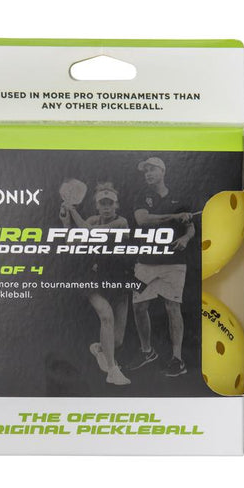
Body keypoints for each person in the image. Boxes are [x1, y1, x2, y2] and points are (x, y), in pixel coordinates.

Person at [127, 157, 195, 377]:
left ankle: (177, 359)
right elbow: (143, 220)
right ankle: (147, 352)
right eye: (145, 170)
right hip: (145, 262)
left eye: (152, 169)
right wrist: (175, 216)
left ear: (163, 171)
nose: (148, 173)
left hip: (174, 263)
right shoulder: (141, 196)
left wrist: (185, 238)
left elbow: (190, 227)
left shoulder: (179, 197)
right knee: (139, 307)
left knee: (172, 307)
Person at [60, 182, 131, 386]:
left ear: (116, 205)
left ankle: (100, 349)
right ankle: (112, 371)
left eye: (110, 203)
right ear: (97, 206)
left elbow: (89, 231)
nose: (107, 207)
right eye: (102, 203)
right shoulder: (91, 219)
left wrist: (72, 210)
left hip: (119, 278)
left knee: (117, 341)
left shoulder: (121, 223)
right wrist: (66, 223)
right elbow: (72, 243)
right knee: (106, 316)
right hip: (93, 277)